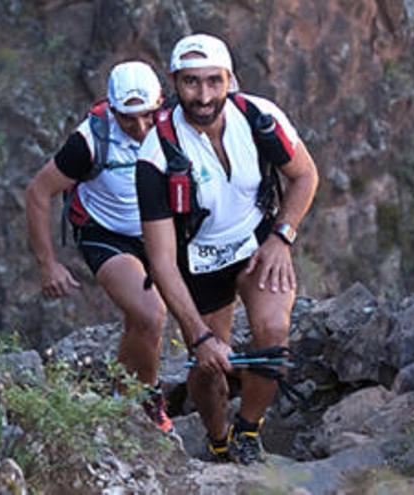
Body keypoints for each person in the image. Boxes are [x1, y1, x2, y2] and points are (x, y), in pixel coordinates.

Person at [135, 34, 319, 464]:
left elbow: (305, 176)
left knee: (272, 336)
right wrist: (198, 337)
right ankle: (217, 439)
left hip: (257, 245)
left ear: (230, 80)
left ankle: (248, 431)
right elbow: (160, 259)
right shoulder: (156, 155)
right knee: (207, 364)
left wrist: (281, 237)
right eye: (191, 83)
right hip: (197, 264)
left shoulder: (259, 117)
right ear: (174, 83)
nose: (203, 96)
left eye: (214, 82)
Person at [25, 61, 173, 432]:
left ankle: (121, 398)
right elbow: (38, 192)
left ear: (160, 106)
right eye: (127, 119)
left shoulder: (176, 127)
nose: (139, 128)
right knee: (151, 314)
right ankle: (149, 400)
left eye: (147, 117)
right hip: (105, 234)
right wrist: (48, 265)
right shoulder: (89, 141)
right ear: (111, 109)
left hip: (160, 231)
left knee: (140, 322)